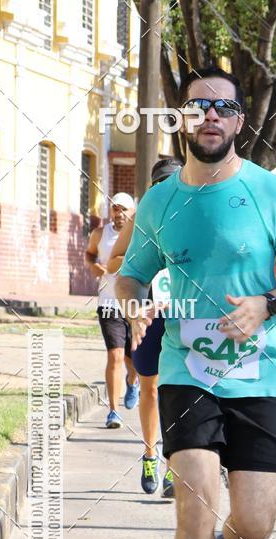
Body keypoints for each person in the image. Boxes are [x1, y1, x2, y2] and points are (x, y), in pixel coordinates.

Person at [117, 66, 276, 539]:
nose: (210, 117)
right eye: (198, 106)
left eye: (223, 109)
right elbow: (129, 274)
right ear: (181, 117)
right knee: (195, 505)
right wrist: (134, 301)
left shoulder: (269, 192)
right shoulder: (161, 200)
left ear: (238, 121)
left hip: (260, 376)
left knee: (253, 524)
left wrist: (267, 304)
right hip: (187, 373)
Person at [107, 158, 183, 497]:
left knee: (181, 392)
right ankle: (150, 453)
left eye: (174, 181)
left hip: (186, 314)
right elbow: (113, 261)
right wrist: (144, 260)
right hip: (147, 315)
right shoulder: (142, 217)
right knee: (150, 388)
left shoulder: (197, 212)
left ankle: (174, 467)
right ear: (153, 188)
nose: (168, 189)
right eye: (161, 184)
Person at [86, 193, 139, 428]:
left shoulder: (140, 235)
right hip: (109, 304)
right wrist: (94, 266)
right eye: (115, 209)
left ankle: (133, 381)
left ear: (132, 212)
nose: (119, 214)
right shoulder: (100, 234)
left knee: (134, 360)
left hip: (135, 305)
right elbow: (89, 253)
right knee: (115, 355)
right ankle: (113, 411)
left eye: (124, 209)